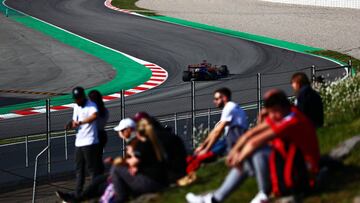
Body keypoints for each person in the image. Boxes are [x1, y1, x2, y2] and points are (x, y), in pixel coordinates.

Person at [186, 89, 320, 203]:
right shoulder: (285, 114)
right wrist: (235, 152)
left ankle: (264, 194)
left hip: (305, 169)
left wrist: (238, 156)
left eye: (272, 112)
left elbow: (256, 141)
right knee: (248, 158)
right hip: (290, 160)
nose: (271, 116)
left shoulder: (292, 121)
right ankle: (214, 199)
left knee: (258, 151)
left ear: (278, 107)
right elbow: (250, 134)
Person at [187, 87, 249, 173]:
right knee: (195, 155)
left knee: (202, 156)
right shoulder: (231, 107)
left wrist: (206, 149)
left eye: (216, 99)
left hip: (235, 139)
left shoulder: (229, 108)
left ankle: (189, 172)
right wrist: (203, 145)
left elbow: (218, 132)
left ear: (224, 98)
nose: (214, 101)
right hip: (230, 138)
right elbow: (215, 131)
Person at [57, 86, 102, 200]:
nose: (76, 101)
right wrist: (70, 124)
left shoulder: (91, 105)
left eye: (78, 98)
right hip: (79, 142)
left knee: (92, 170)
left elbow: (95, 116)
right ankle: (77, 195)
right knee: (79, 169)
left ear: (83, 97)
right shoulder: (76, 106)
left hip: (90, 141)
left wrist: (80, 122)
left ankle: (94, 193)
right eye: (75, 99)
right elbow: (74, 121)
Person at [110, 117, 169, 203]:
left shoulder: (140, 144)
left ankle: (121, 198)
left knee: (115, 169)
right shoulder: (154, 141)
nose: (120, 133)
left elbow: (134, 162)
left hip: (152, 182)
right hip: (160, 179)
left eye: (121, 131)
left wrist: (121, 161)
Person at [89, 90, 109, 172]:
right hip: (102, 134)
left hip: (94, 135)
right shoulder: (104, 110)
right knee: (98, 158)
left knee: (94, 160)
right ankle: (99, 175)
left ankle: (97, 178)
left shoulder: (92, 111)